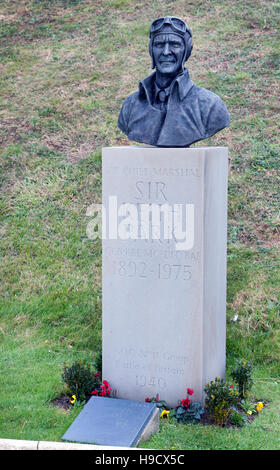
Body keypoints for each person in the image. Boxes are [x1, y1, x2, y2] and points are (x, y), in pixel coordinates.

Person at [118, 16, 230, 147]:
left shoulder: (210, 106)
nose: (166, 52)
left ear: (187, 50)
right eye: (159, 45)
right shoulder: (130, 106)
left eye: (175, 44)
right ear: (151, 50)